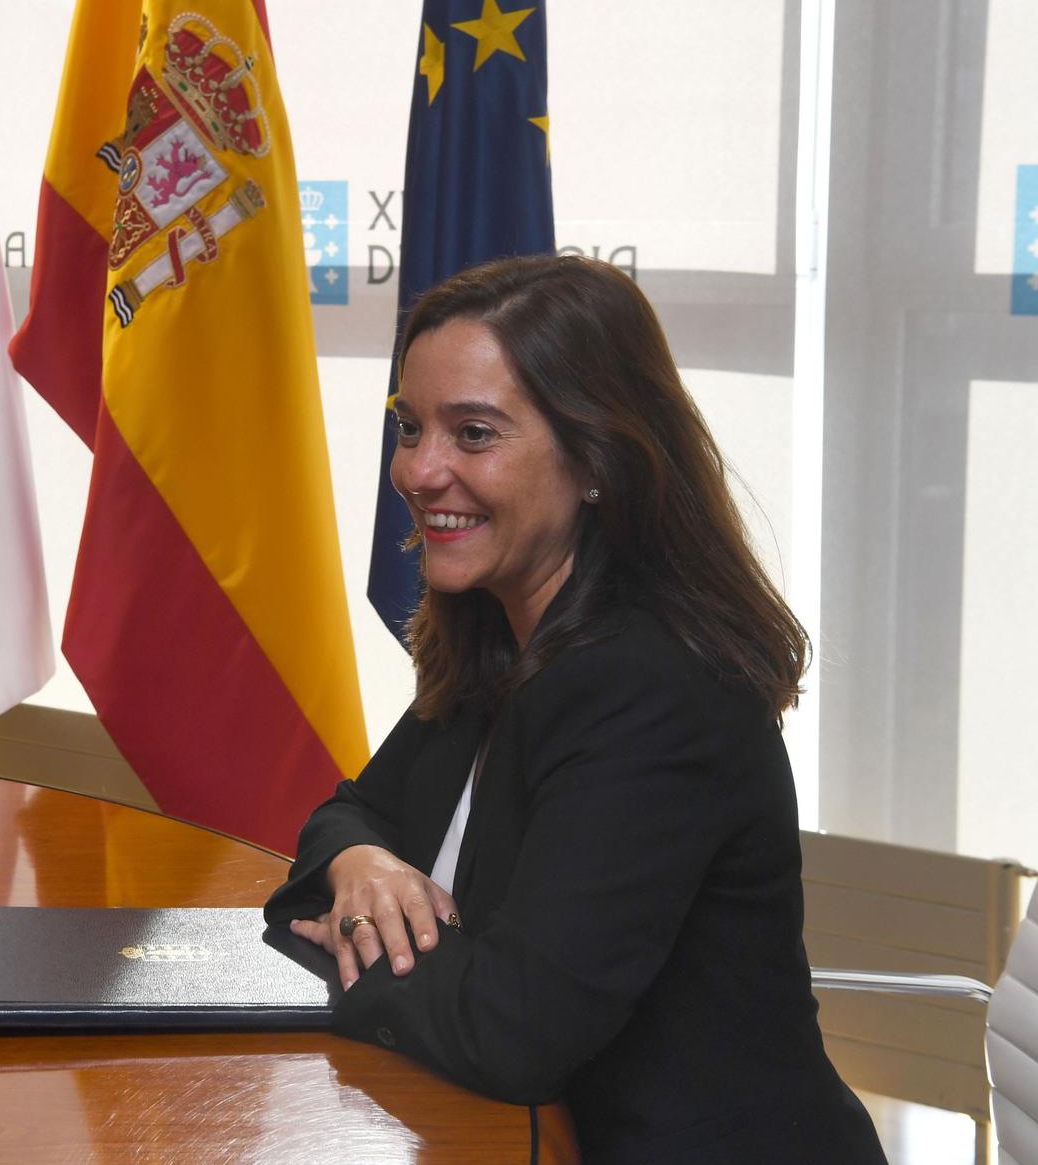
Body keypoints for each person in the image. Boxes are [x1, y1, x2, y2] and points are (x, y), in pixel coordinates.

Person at [265, 254, 883, 1162]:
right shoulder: (502, 632)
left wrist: (343, 941)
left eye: (473, 434)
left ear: (596, 457)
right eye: (410, 426)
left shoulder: (653, 686)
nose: (419, 470)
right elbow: (342, 818)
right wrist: (365, 867)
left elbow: (511, 1032)